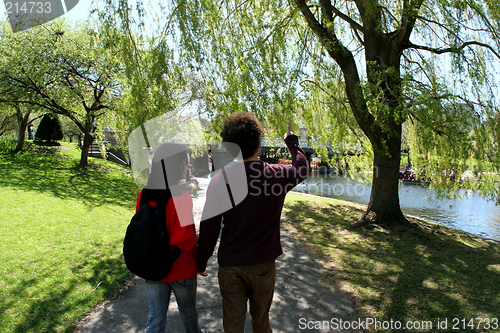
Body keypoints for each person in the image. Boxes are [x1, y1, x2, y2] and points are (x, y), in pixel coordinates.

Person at [197, 113, 309, 332]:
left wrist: (201, 261)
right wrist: (292, 143)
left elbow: (209, 229)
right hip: (263, 265)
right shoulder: (275, 175)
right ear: (259, 143)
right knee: (261, 320)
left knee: (233, 322)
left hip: (231, 266)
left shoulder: (219, 181)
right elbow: (302, 169)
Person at [136, 143, 207, 333]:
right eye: (186, 161)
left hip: (152, 265)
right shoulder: (181, 195)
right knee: (188, 312)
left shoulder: (143, 194)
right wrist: (199, 238)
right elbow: (183, 240)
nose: (188, 166)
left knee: (156, 315)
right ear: (177, 164)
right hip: (180, 267)